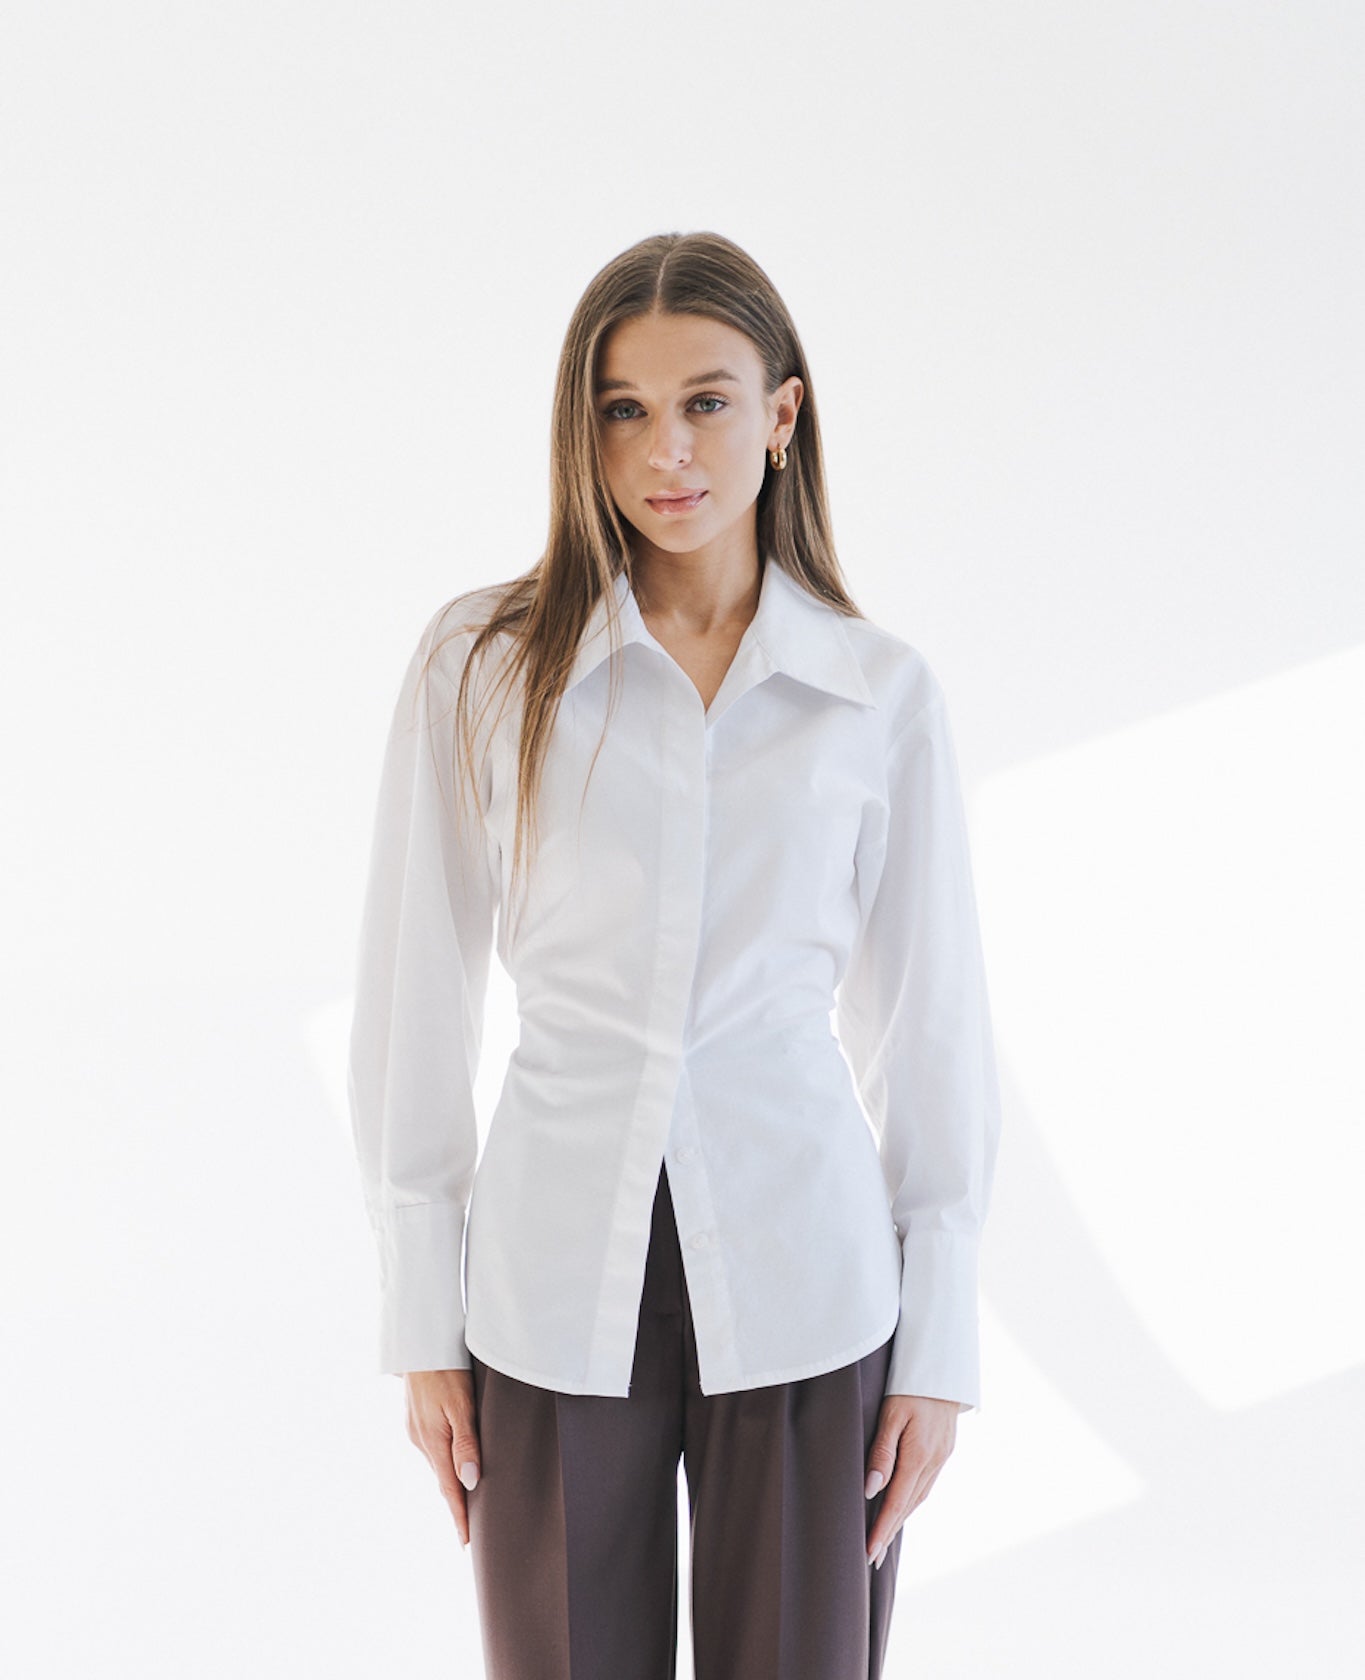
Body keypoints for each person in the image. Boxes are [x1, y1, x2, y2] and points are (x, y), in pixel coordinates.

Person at [347, 229, 1003, 1679]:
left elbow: (931, 1029)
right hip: (551, 1280)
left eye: (707, 401)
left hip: (809, 1278)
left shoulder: (876, 695)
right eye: (623, 408)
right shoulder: (482, 667)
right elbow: (414, 995)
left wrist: (941, 1346)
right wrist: (420, 1315)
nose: (666, 450)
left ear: (782, 415)